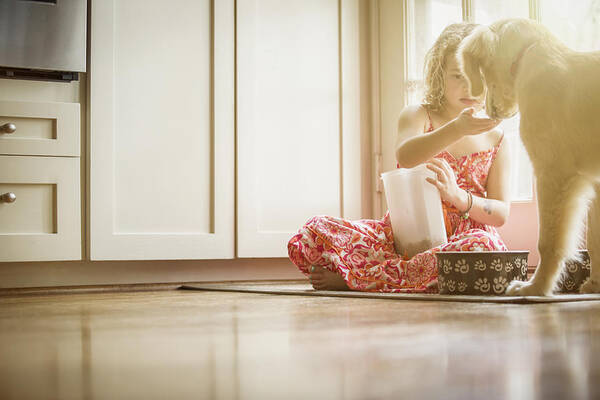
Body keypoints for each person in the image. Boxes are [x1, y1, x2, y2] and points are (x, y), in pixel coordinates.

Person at [287, 23, 511, 292]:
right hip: (403, 240)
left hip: (462, 247)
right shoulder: (418, 115)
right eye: (458, 76)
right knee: (315, 231)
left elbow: (500, 214)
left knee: (484, 248)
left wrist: (458, 197)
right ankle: (410, 277)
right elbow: (405, 157)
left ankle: (362, 279)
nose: (470, 87)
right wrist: (456, 129)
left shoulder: (498, 138)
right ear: (439, 75)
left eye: (479, 78)